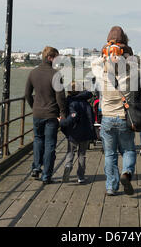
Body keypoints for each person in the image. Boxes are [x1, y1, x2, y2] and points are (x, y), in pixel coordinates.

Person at [91, 26, 137, 196]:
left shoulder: (101, 72)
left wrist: (105, 53)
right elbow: (137, 63)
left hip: (107, 119)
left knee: (110, 154)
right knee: (128, 150)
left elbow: (93, 63)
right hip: (125, 118)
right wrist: (126, 52)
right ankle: (127, 173)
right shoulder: (131, 71)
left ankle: (111, 187)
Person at [25, 46, 67, 184]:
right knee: (50, 145)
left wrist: (34, 107)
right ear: (50, 57)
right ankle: (46, 176)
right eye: (56, 57)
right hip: (51, 114)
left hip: (37, 113)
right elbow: (60, 97)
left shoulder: (33, 73)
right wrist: (63, 113)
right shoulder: (55, 74)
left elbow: (27, 94)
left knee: (38, 140)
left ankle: (36, 168)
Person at [59, 82, 96, 184]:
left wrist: (61, 122)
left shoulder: (71, 103)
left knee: (70, 152)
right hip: (85, 133)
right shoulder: (86, 102)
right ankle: (81, 176)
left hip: (74, 133)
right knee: (82, 154)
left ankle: (68, 166)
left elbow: (72, 117)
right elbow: (91, 117)